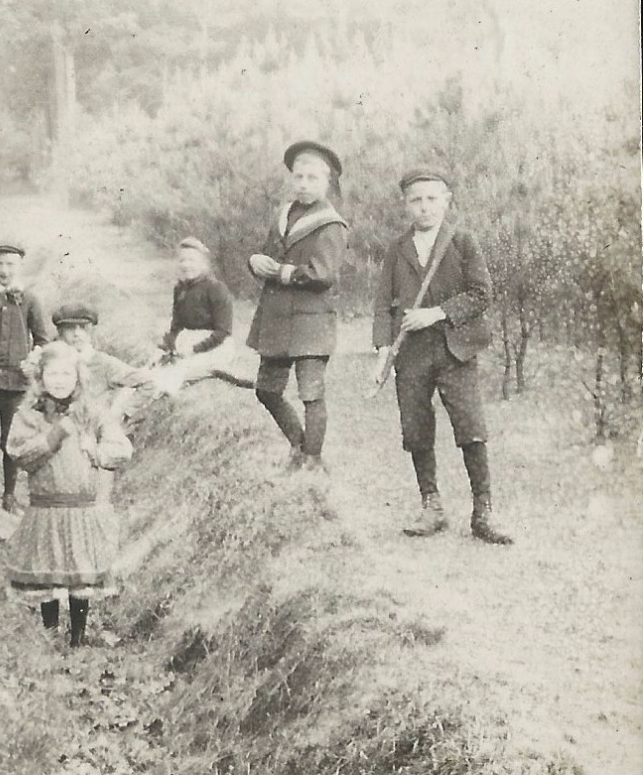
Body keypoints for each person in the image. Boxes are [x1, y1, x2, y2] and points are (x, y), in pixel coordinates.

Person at [372, 168, 512, 544]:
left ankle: (483, 512)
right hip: (412, 355)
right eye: (416, 200)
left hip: (457, 349)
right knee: (416, 429)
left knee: (471, 428)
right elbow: (383, 303)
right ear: (405, 204)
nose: (424, 207)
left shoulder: (462, 241)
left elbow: (482, 292)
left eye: (432, 198)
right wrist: (383, 351)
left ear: (446, 200)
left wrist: (437, 313)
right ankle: (431, 506)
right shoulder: (396, 248)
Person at [4, 341, 134, 648]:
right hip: (45, 506)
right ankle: (49, 633)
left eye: (66, 374)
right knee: (47, 570)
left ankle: (77, 637)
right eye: (53, 374)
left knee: (80, 574)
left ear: (77, 377)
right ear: (40, 377)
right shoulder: (30, 413)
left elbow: (122, 449)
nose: (59, 380)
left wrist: (97, 452)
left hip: (82, 509)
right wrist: (53, 436)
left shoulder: (91, 412)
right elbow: (18, 453)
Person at [246, 140, 350, 471]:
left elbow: (324, 274)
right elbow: (268, 254)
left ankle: (312, 459)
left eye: (312, 178)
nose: (304, 184)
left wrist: (282, 272)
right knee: (266, 390)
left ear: (328, 182)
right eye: (299, 177)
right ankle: (300, 445)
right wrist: (256, 261)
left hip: (310, 323)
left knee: (311, 394)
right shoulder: (282, 215)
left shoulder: (331, 224)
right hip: (277, 319)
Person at [0, 241, 53, 511]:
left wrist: (34, 358)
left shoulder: (30, 299)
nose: (4, 270)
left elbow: (43, 339)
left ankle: (9, 495)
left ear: (19, 266)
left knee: (10, 433)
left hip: (15, 377)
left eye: (10, 264)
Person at [48, 302, 157, 435]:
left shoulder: (103, 363)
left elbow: (148, 383)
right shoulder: (52, 363)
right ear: (60, 332)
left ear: (91, 331)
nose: (77, 334)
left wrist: (122, 413)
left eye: (83, 328)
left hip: (93, 434)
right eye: (70, 328)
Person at [156, 237, 247, 392]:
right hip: (187, 342)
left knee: (173, 376)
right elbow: (176, 325)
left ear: (203, 263)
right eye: (182, 260)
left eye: (192, 260)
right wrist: (169, 345)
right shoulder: (180, 289)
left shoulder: (216, 289)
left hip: (214, 346)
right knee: (153, 369)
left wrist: (193, 349)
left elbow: (223, 332)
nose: (186, 265)